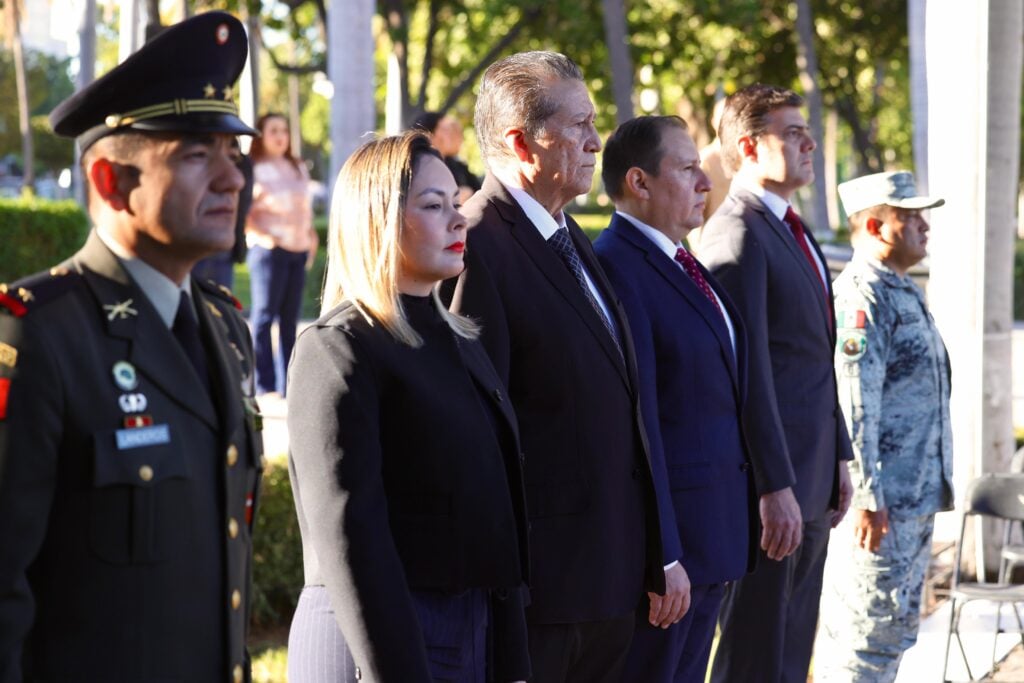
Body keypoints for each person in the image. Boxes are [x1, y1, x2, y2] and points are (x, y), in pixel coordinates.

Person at [0, 12, 262, 682]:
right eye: (197, 155)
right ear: (111, 182)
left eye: (233, 155)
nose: (233, 180)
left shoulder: (226, 326)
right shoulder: (35, 333)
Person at [444, 51, 666, 683]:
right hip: (544, 592)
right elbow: (480, 431)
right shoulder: (478, 244)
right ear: (521, 141)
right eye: (580, 125)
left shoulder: (570, 237)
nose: (598, 141)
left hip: (608, 577)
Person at [285, 131, 530, 683]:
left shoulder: (460, 338)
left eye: (456, 201)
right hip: (377, 641)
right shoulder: (339, 347)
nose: (459, 218)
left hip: (469, 630)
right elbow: (351, 539)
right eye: (433, 204)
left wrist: (511, 655)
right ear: (379, 219)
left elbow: (494, 512)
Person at [698, 83, 854, 683]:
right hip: (775, 492)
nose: (809, 142)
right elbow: (745, 373)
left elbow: (813, 358)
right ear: (749, 146)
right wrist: (773, 484)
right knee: (754, 654)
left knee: (791, 650)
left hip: (811, 477)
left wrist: (839, 453)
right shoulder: (737, 232)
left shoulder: (793, 227)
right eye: (792, 133)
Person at [593, 115, 757, 683]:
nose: (706, 182)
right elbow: (637, 425)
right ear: (639, 183)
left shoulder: (681, 260)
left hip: (713, 537)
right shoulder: (616, 266)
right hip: (673, 556)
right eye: (688, 170)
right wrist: (663, 553)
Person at [815, 171, 953, 682]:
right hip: (882, 509)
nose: (924, 227)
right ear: (875, 225)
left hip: (910, 501)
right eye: (910, 217)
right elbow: (854, 400)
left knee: (890, 635)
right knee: (863, 644)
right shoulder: (862, 295)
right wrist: (869, 497)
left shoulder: (899, 288)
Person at [245, 112, 317, 397]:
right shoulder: (252, 168)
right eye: (273, 130)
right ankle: (263, 384)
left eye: (284, 130)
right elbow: (244, 212)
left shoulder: (297, 166)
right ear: (261, 135)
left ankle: (287, 383)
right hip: (268, 252)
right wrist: (266, 238)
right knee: (264, 316)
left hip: (297, 251)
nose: (280, 136)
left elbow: (305, 208)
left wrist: (310, 237)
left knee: (290, 320)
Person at [192, 152, 254, 289]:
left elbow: (243, 207)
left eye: (233, 158)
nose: (236, 181)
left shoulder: (244, 165)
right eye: (198, 155)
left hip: (224, 252)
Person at [411, 110, 481, 203]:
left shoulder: (458, 167)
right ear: (429, 135)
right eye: (447, 130)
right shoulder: (416, 168)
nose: (456, 135)